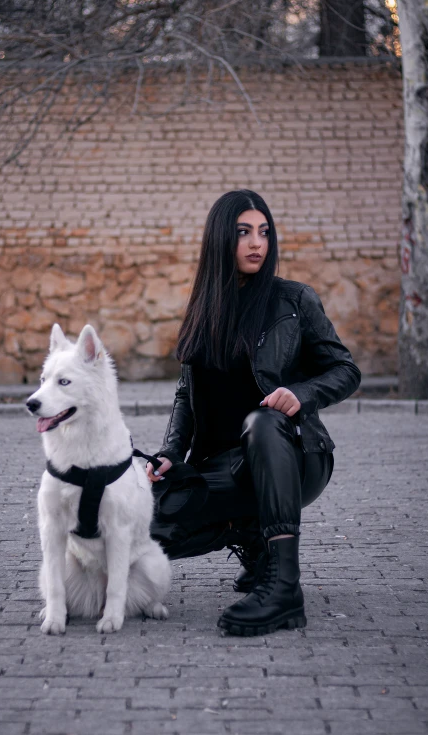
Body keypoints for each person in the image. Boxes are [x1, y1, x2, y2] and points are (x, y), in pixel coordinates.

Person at [146, 189, 361, 637]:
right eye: (243, 232)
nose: (256, 243)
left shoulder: (294, 300)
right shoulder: (205, 308)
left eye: (264, 232)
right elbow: (187, 395)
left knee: (260, 421)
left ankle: (284, 589)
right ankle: (253, 535)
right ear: (220, 239)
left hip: (296, 456)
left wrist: (301, 393)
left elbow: (346, 369)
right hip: (224, 467)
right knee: (148, 526)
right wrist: (170, 454)